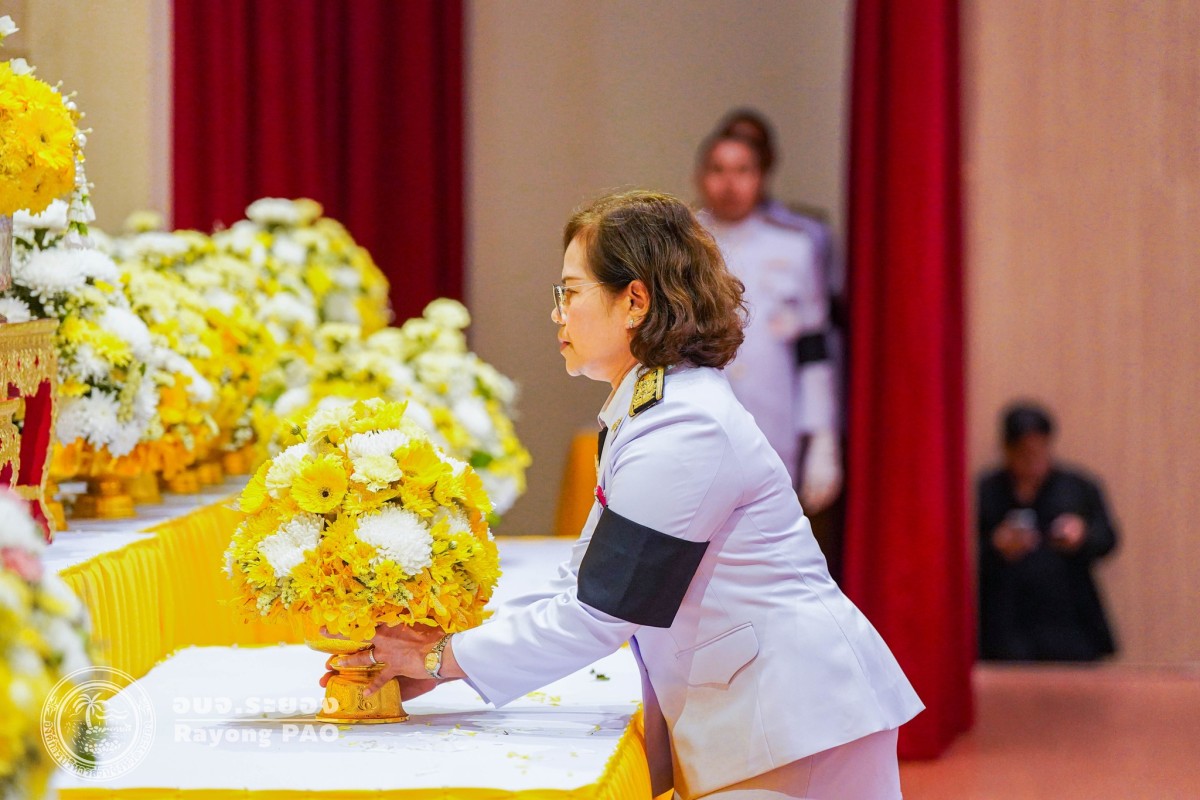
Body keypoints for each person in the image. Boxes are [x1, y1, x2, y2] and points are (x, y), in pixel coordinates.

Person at [330, 191, 922, 799]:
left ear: (634, 301)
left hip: (798, 722)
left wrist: (439, 658)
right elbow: (581, 581)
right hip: (777, 718)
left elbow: (602, 611)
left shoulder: (684, 424)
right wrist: (448, 653)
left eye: (570, 292)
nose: (557, 313)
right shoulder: (654, 408)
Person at [695, 131, 841, 514]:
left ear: (760, 178)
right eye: (718, 170)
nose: (730, 183)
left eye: (743, 170)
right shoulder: (683, 245)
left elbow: (812, 349)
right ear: (700, 177)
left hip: (773, 420)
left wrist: (822, 437)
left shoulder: (793, 246)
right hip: (702, 419)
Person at [977, 402, 1119, 662]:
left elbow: (1108, 539)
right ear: (1007, 450)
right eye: (1024, 452)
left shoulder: (1078, 487)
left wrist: (1081, 536)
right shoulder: (986, 492)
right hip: (1005, 623)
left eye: (1040, 449)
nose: (1033, 460)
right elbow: (961, 555)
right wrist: (996, 546)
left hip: (1069, 620)